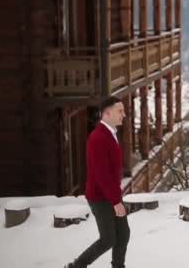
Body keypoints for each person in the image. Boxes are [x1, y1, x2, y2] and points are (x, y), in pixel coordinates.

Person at [66, 96, 130, 268]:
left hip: (111, 194)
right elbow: (103, 175)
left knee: (123, 234)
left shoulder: (110, 134)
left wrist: (116, 198)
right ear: (107, 113)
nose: (123, 114)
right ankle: (76, 266)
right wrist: (116, 202)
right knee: (108, 239)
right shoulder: (98, 138)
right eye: (120, 111)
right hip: (100, 198)